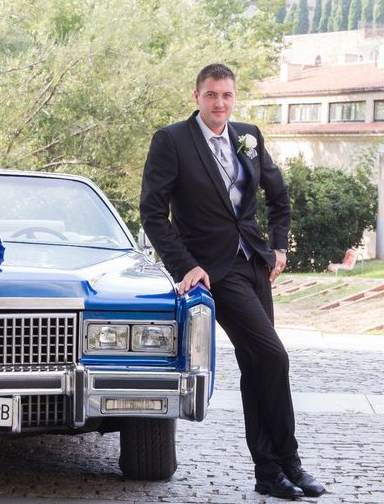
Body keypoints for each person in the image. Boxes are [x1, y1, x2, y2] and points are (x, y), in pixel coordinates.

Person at [139, 64, 325, 500]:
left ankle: (272, 472)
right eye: (210, 95)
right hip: (214, 271)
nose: (219, 103)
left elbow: (279, 197)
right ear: (196, 96)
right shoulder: (172, 141)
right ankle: (289, 460)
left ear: (234, 96)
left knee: (259, 365)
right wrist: (184, 266)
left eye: (226, 95)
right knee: (273, 356)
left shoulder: (249, 135)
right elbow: (152, 212)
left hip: (254, 264)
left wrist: (279, 249)